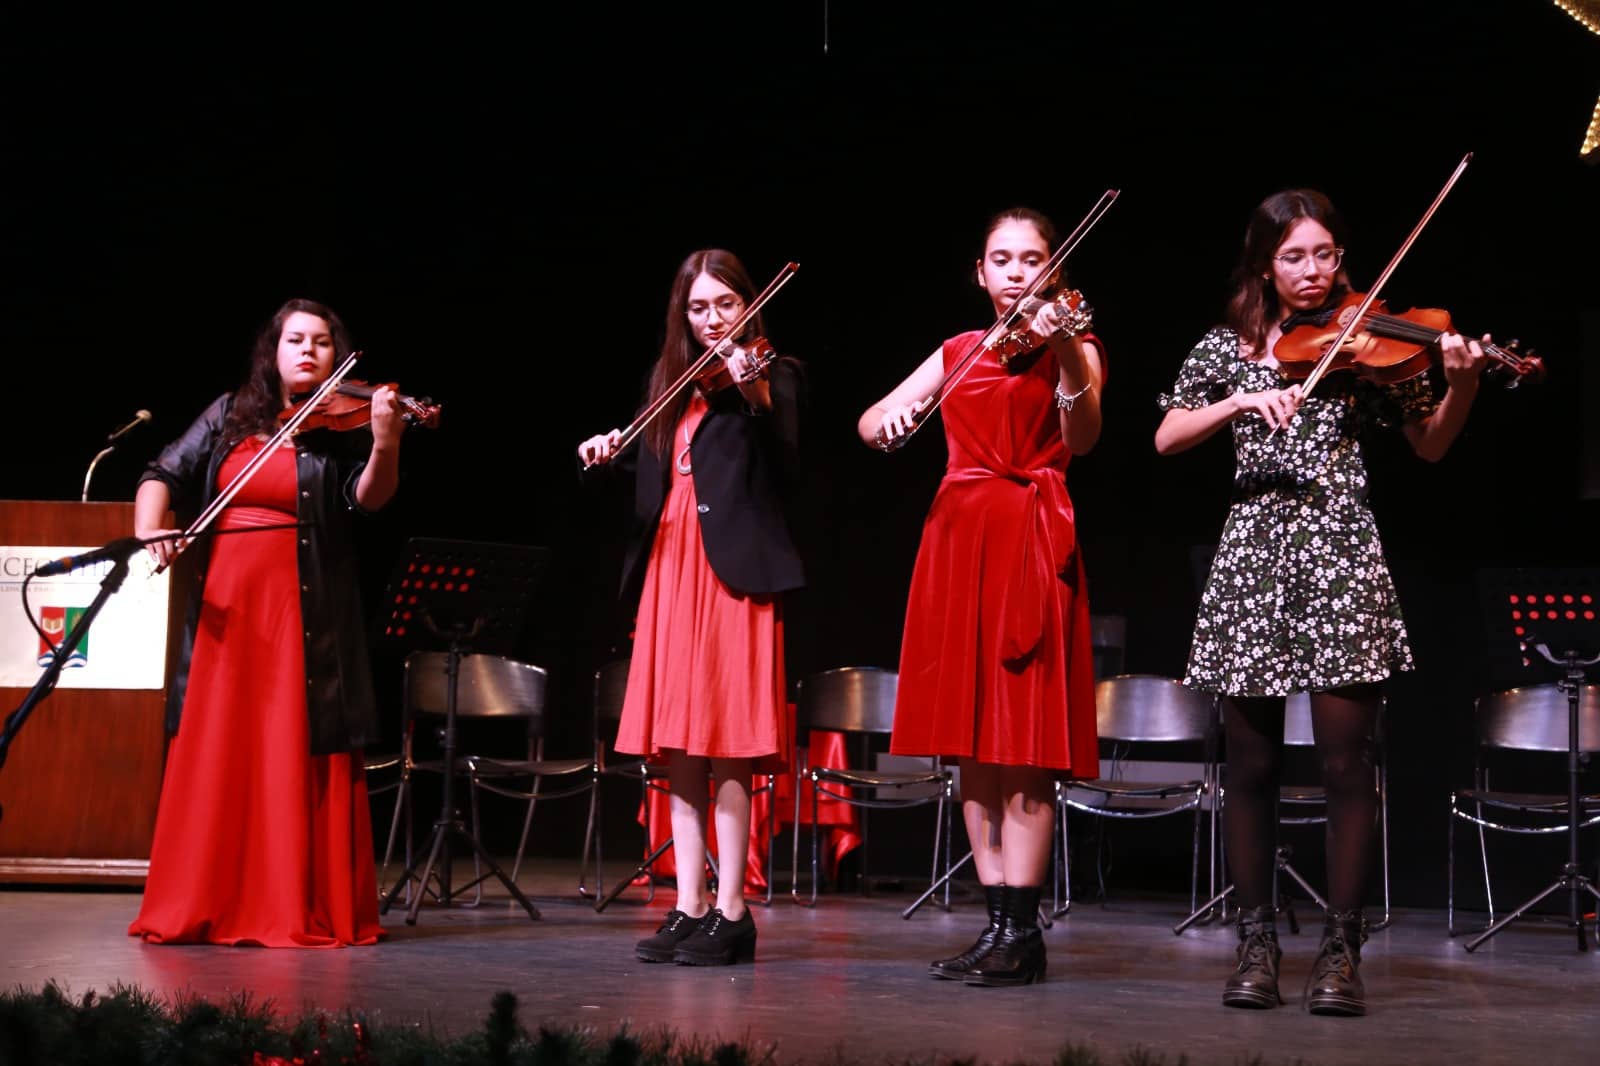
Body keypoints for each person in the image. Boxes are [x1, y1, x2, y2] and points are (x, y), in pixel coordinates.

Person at [1155, 189, 1487, 1015]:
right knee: (1252, 766)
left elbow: (1432, 443)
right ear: (1265, 262)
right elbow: (1167, 435)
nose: (1314, 272)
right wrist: (1241, 398)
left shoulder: (1367, 340)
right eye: (1295, 256)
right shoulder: (1226, 347)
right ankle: (1257, 941)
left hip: (1340, 555)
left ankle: (1342, 948)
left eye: (1327, 254)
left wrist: (1465, 385)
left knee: (1348, 764)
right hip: (1252, 561)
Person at [857, 207, 1105, 986]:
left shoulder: (1078, 345)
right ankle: (996, 925)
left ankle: (1023, 932)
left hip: (1029, 536)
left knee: (1023, 744)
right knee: (970, 742)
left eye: (1032, 258)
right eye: (1001, 259)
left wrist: (1066, 348)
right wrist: (890, 422)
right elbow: (870, 421)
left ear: (1053, 269)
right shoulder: (960, 350)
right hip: (957, 541)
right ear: (980, 271)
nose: (1016, 271)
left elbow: (1086, 434)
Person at [128, 298, 404, 947]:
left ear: (338, 356)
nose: (308, 350)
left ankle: (285, 902)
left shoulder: (342, 425)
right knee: (220, 746)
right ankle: (205, 897)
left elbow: (369, 499)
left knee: (290, 747)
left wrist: (387, 441)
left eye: (322, 343)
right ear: (273, 351)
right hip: (228, 609)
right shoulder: (230, 414)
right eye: (296, 340)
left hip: (302, 612)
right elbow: (162, 470)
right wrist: (149, 527)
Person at [579, 249, 804, 966]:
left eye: (725, 305)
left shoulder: (773, 375)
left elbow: (788, 456)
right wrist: (613, 448)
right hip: (671, 571)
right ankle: (690, 903)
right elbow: (663, 476)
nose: (713, 321)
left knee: (728, 747)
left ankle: (735, 911)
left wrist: (756, 391)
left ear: (747, 306)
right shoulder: (670, 385)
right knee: (678, 747)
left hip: (731, 578)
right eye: (699, 309)